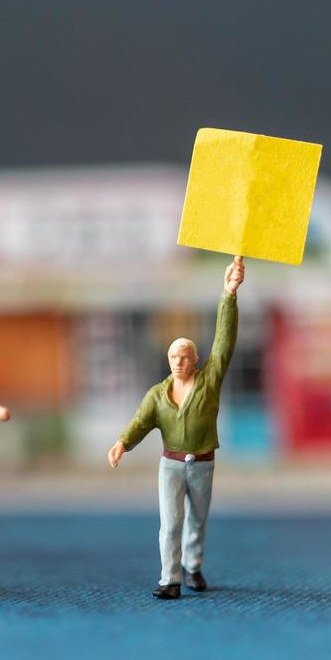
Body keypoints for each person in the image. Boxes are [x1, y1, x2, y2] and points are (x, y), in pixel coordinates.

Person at [107, 256, 245, 599]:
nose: (179, 361)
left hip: (202, 464)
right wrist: (123, 442)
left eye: (185, 356)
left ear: (195, 360)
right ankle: (169, 578)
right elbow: (141, 421)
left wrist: (229, 294)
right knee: (170, 524)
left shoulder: (209, 381)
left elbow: (223, 344)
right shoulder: (158, 395)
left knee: (197, 519)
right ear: (168, 360)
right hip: (170, 465)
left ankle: (193, 567)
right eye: (174, 357)